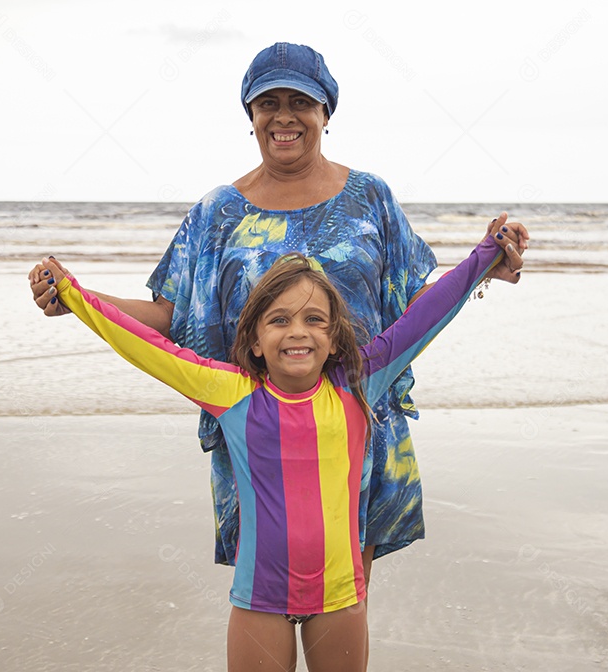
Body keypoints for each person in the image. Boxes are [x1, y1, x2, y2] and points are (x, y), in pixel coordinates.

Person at [29, 42, 528, 589]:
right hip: (254, 425)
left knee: (344, 588)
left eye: (301, 102)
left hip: (356, 414)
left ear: (326, 114)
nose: (284, 116)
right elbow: (171, 316)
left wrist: (484, 270)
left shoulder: (370, 198)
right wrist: (78, 300)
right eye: (268, 103)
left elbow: (412, 306)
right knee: (263, 587)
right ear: (250, 115)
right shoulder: (217, 212)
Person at [39, 216, 520, 670]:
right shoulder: (229, 392)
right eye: (279, 320)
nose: (297, 332)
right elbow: (146, 346)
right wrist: (73, 295)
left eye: (315, 319)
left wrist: (485, 254)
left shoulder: (358, 384)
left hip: (340, 600)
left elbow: (427, 315)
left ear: (334, 338)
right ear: (253, 340)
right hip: (258, 604)